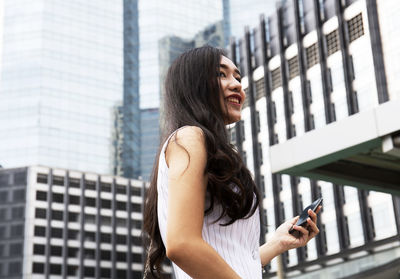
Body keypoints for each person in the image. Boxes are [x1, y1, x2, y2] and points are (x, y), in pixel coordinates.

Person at [143, 46, 321, 279]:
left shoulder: (205, 147)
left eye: (238, 77)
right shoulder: (190, 137)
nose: (237, 84)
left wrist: (277, 244)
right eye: (221, 74)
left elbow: (227, 258)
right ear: (194, 84)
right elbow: (182, 243)